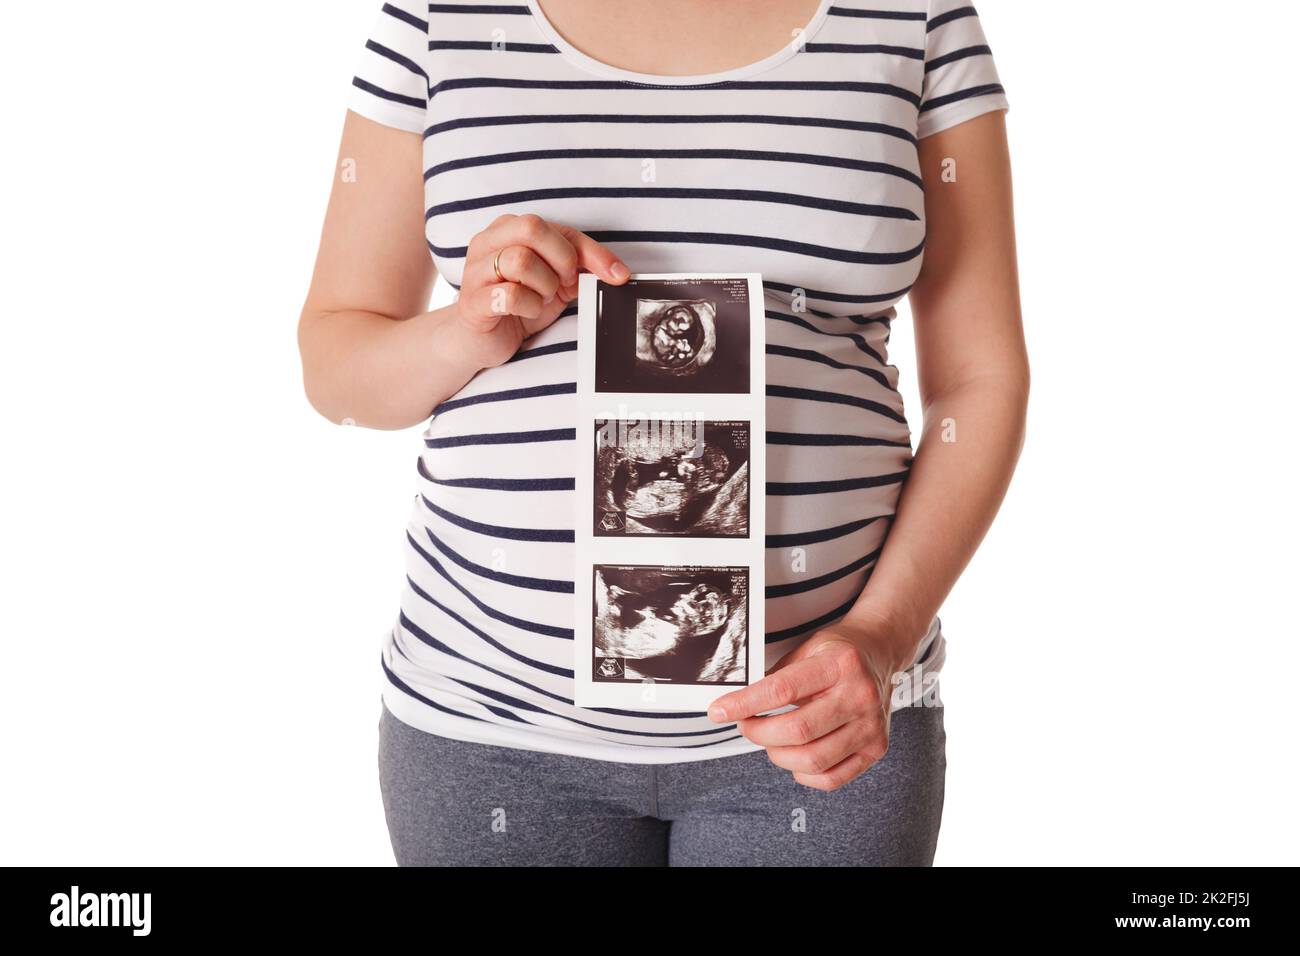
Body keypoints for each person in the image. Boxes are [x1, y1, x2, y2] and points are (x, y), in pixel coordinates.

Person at [298, 0, 1029, 866]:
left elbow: (980, 381)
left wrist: (880, 638)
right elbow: (335, 365)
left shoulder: (914, 15)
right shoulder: (437, 15)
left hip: (823, 730)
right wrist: (463, 329)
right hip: (490, 725)